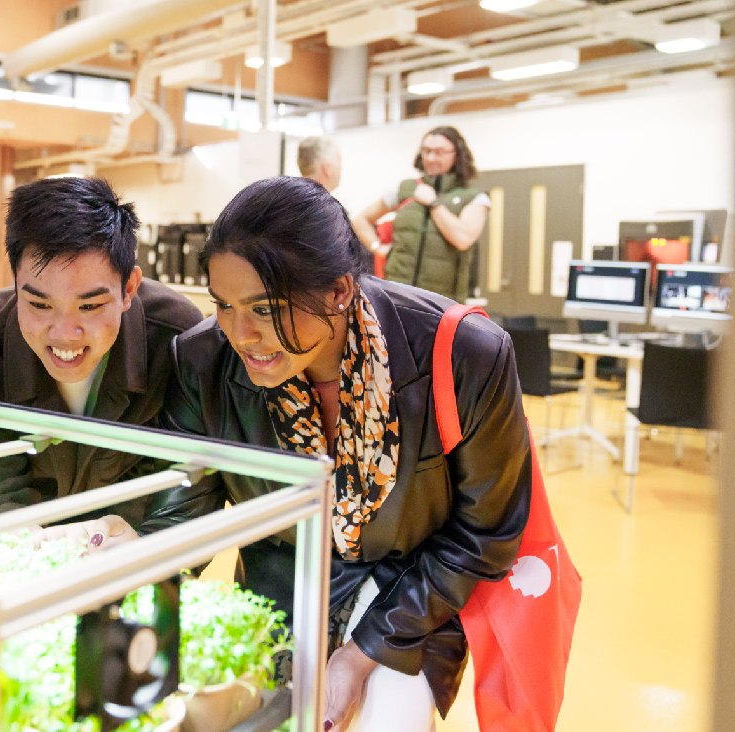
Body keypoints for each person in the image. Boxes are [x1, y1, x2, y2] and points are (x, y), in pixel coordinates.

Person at [159, 177, 530, 730]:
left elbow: (486, 533)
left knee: (388, 717)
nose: (240, 334)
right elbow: (186, 511)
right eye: (223, 305)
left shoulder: (462, 353)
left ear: (338, 291)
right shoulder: (204, 361)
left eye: (265, 309)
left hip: (413, 589)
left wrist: (361, 655)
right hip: (282, 586)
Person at [0, 177, 209, 532]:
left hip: (134, 558)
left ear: (128, 289)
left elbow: (182, 482)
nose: (65, 333)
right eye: (38, 304)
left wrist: (130, 538)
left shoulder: (178, 340)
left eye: (90, 305)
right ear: (16, 281)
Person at [351, 126, 488, 303]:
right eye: (427, 151)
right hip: (396, 295)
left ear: (457, 154)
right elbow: (360, 220)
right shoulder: (405, 189)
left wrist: (433, 204)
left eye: (439, 152)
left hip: (442, 303)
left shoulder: (474, 198)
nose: (431, 158)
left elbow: (463, 239)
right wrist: (378, 247)